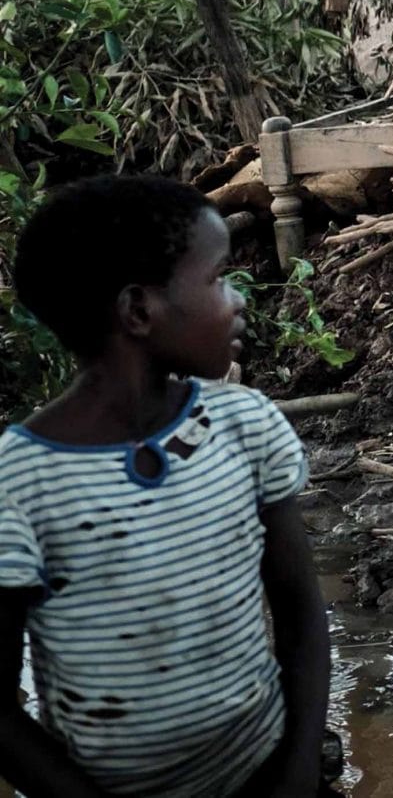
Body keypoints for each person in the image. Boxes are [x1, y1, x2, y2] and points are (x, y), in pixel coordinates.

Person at [0, 176, 331, 798]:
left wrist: (299, 767)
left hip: (268, 770)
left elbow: (301, 616)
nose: (237, 301)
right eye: (218, 279)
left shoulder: (246, 425)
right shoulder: (21, 482)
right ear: (138, 311)